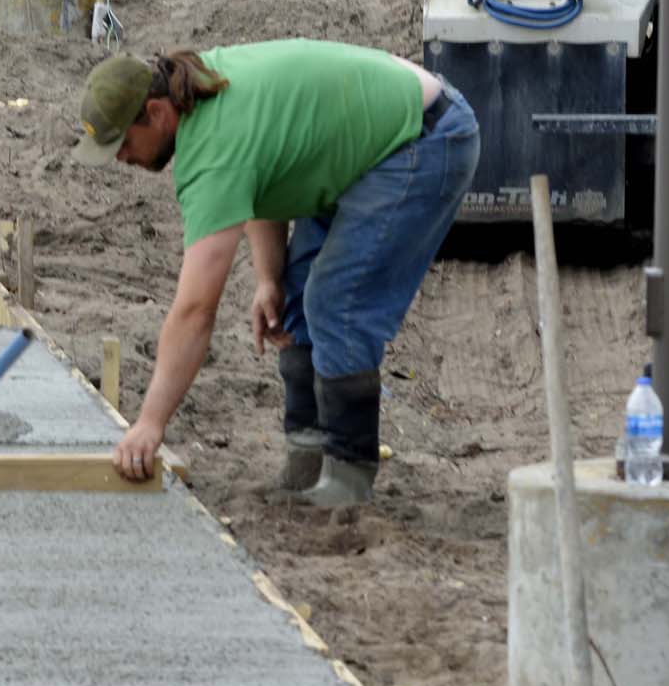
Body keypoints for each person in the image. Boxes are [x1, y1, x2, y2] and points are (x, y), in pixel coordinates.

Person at [74, 42, 479, 508]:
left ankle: (348, 476)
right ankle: (307, 459)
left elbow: (195, 310)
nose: (121, 159)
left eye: (122, 143)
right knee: (296, 290)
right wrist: (269, 277)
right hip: (367, 139)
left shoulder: (213, 151)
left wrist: (149, 423)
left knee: (336, 302)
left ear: (157, 112)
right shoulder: (202, 89)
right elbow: (260, 176)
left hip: (423, 139)